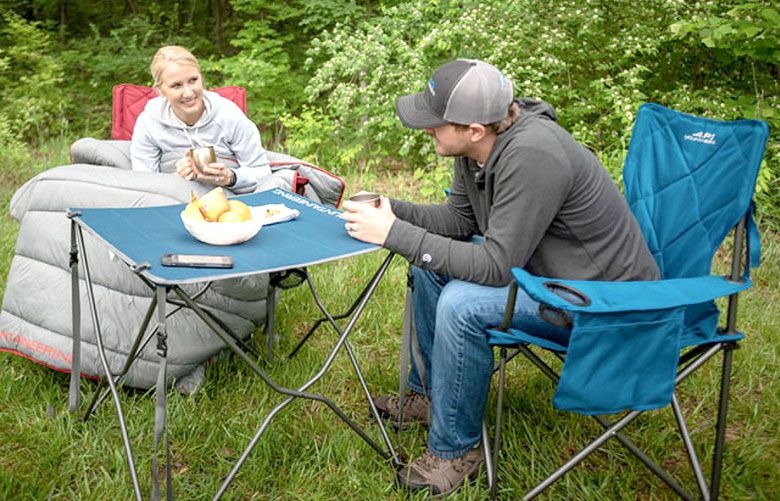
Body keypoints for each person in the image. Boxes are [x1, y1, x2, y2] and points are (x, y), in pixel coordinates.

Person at [340, 59, 660, 497]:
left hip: (601, 302)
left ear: (474, 128)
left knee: (461, 304)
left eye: (436, 123)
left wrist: (395, 234)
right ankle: (433, 397)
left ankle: (455, 452)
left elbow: (494, 266)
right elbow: (457, 220)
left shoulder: (533, 156)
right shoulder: (479, 149)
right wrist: (394, 212)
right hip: (547, 276)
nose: (427, 130)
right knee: (429, 269)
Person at [131, 45, 271, 193]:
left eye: (193, 80)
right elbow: (144, 181)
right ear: (160, 91)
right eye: (176, 85)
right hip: (172, 196)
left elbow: (262, 172)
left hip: (226, 197)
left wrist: (229, 177)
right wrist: (177, 178)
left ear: (201, 78)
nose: (188, 93)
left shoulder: (229, 115)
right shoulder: (149, 122)